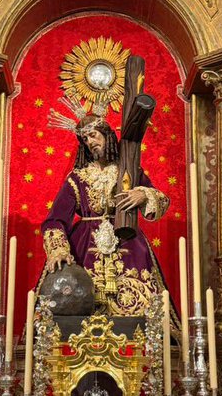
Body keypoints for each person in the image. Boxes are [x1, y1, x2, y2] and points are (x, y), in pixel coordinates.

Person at [41, 112, 169, 317]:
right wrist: (58, 250)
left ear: (106, 134)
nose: (90, 142)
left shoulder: (128, 170)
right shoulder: (77, 177)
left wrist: (143, 195)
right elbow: (55, 220)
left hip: (127, 240)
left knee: (142, 306)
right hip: (85, 246)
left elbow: (161, 199)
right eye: (85, 139)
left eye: (93, 135)